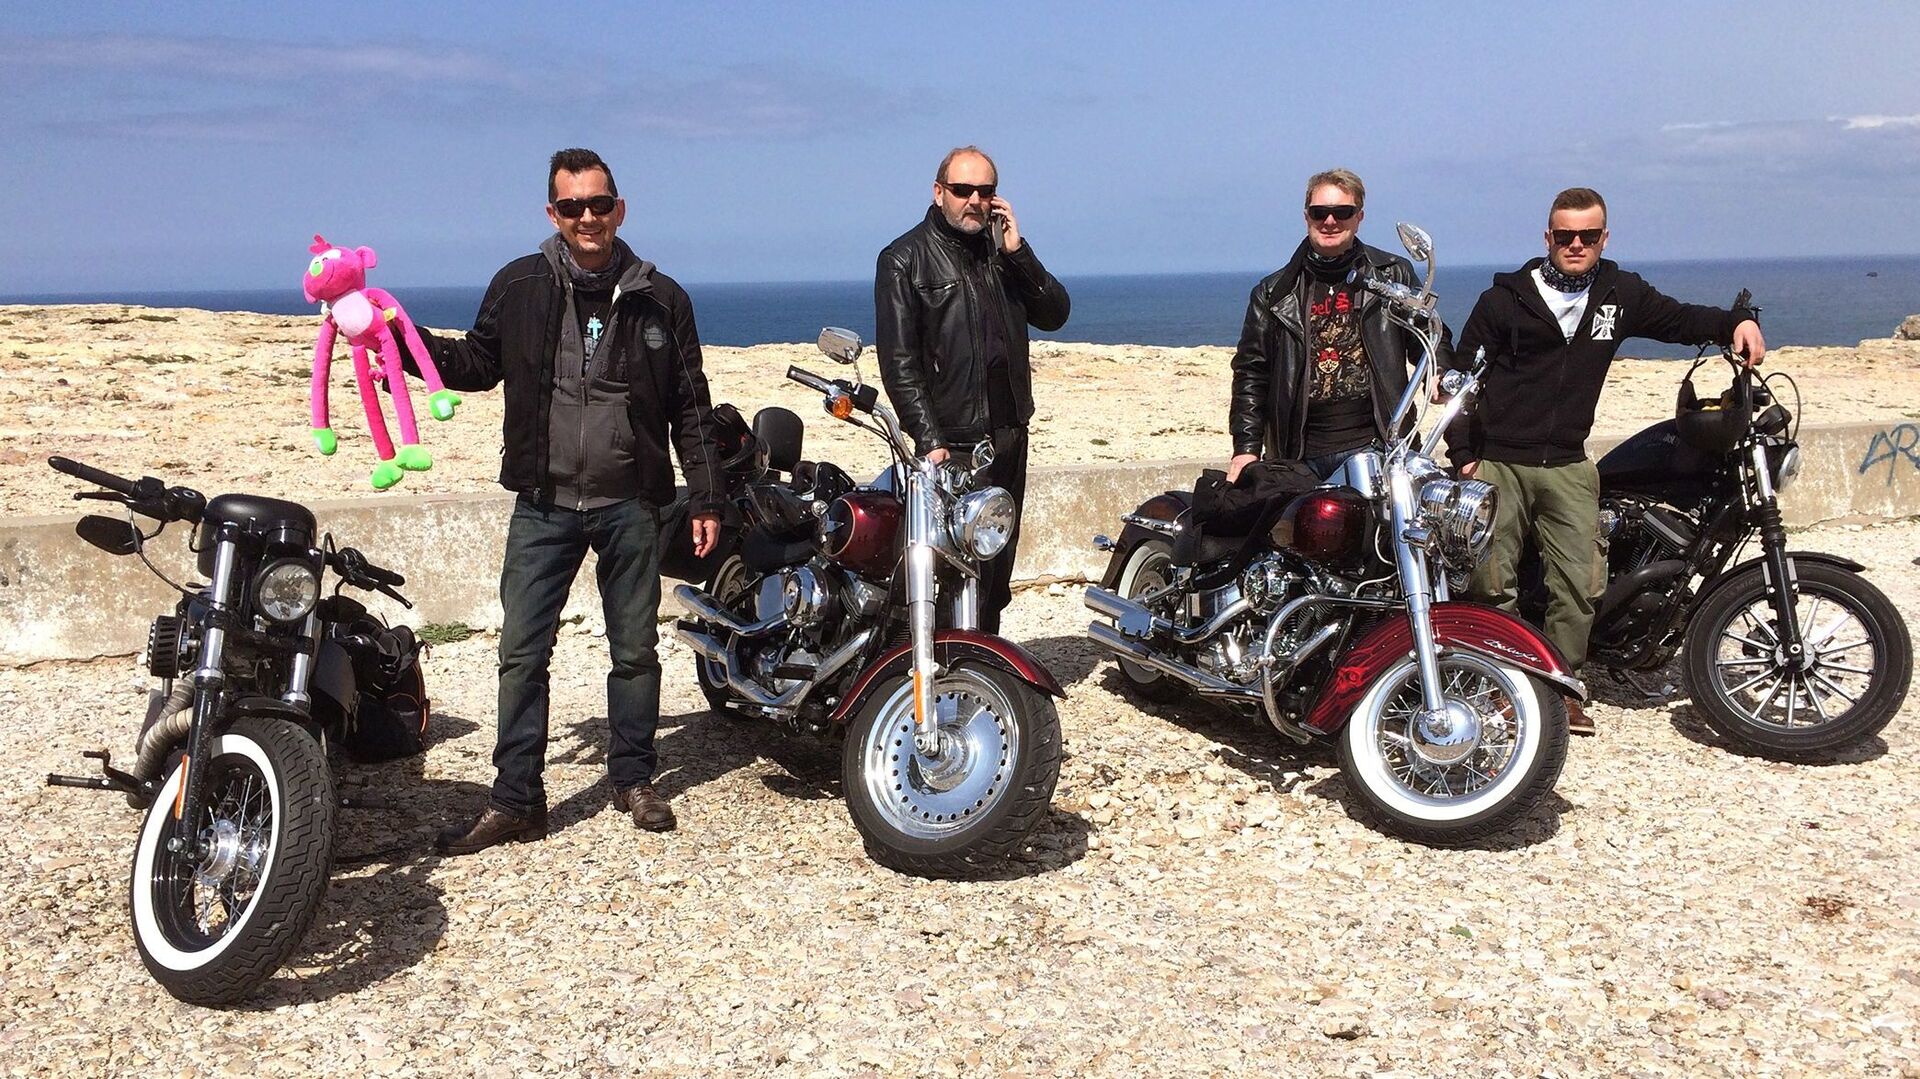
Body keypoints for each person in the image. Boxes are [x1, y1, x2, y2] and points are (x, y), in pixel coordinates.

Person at [404, 148, 726, 852]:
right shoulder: (519, 284)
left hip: (631, 503)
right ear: (553, 213)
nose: (588, 218)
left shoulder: (662, 297)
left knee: (634, 651)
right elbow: (477, 362)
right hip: (543, 503)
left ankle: (634, 779)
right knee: (522, 653)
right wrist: (405, 344)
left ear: (620, 210)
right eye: (573, 206)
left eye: (599, 204)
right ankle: (516, 799)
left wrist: (705, 498)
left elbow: (690, 404)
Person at [1447, 186, 1766, 735]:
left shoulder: (1620, 294)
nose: (1576, 244)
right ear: (1547, 237)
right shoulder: (1503, 300)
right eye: (1565, 235)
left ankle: (1562, 687)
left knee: (1580, 582)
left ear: (1604, 238)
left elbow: (1679, 320)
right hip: (1498, 460)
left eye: (1588, 235)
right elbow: (1462, 379)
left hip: (1569, 463)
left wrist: (1735, 321)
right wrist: (1463, 457)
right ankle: (1504, 685)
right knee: (1491, 581)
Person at [874, 145, 1071, 634]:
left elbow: (1055, 314)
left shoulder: (1002, 254)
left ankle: (981, 658)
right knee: (945, 569)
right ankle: (931, 664)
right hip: (952, 443)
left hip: (1008, 435)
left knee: (995, 568)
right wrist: (928, 439)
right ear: (939, 192)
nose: (974, 201)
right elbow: (899, 362)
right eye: (963, 190)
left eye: (985, 191)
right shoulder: (904, 260)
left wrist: (1019, 254)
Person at [1227, 168, 1449, 485]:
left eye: (1342, 212)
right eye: (1320, 212)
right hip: (1297, 457)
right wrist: (1246, 449)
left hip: (1379, 447)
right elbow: (1251, 372)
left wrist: (1439, 370)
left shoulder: (1391, 275)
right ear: (1307, 216)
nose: (1330, 221)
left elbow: (1429, 334)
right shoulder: (1274, 292)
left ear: (1359, 217)